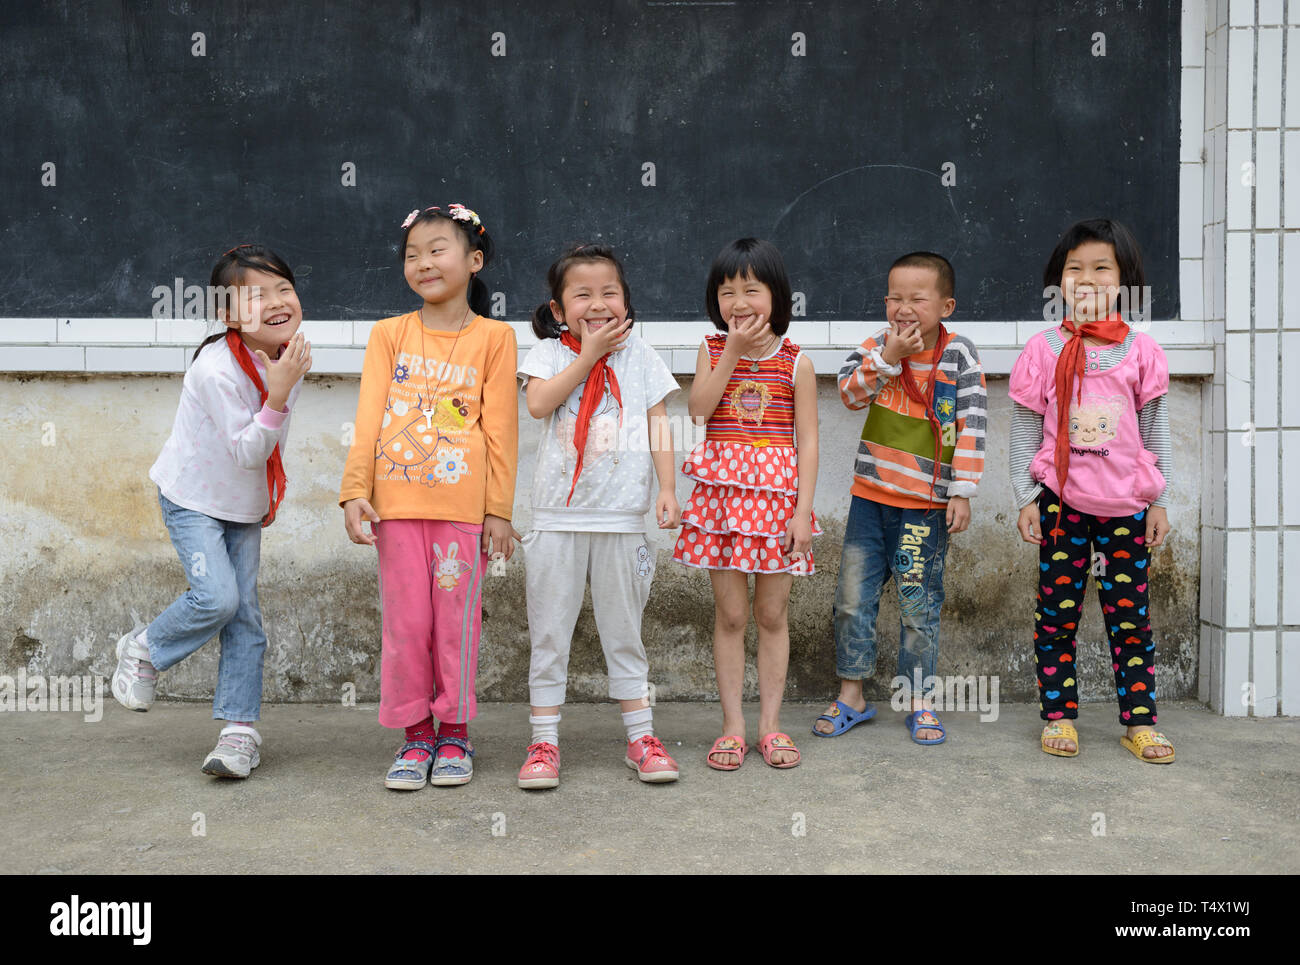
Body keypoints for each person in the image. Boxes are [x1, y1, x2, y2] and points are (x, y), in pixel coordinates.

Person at [111, 243, 313, 778]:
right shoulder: (216, 369)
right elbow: (250, 448)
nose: (276, 302)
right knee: (218, 598)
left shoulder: (284, 354)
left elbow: (260, 453)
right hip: (193, 499)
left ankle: (239, 735)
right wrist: (280, 394)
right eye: (256, 296)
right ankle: (144, 648)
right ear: (227, 315)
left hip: (242, 504)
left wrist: (280, 386)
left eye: (284, 289)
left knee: (245, 617)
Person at [339, 204, 519, 789]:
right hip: (395, 510)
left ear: (474, 260)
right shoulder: (388, 335)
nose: (423, 263)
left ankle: (456, 736)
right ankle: (416, 739)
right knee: (406, 626)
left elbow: (500, 432)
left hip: (462, 514)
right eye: (412, 254)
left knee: (455, 627)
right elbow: (368, 420)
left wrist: (498, 511)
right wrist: (354, 492)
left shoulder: (495, 338)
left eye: (437, 249)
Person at [515, 243, 682, 789]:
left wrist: (668, 489)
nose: (598, 303)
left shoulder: (642, 356)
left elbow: (660, 425)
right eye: (582, 294)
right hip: (556, 522)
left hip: (622, 518)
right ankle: (544, 742)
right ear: (559, 310)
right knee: (550, 634)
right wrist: (586, 356)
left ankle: (641, 737)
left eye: (609, 291)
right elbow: (539, 405)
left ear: (625, 301)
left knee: (624, 631)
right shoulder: (546, 354)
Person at [1008, 218, 1175, 763]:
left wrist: (1159, 501)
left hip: (1126, 509)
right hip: (1061, 507)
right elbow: (1024, 429)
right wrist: (1024, 497)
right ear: (1059, 280)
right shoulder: (1042, 349)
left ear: (1124, 279)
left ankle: (1141, 722)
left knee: (1130, 619)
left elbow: (1155, 432)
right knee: (1056, 617)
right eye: (1074, 269)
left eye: (1101, 267)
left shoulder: (1142, 353)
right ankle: (1059, 717)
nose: (1086, 279)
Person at [813, 251, 986, 746]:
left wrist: (962, 492)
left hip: (926, 507)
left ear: (946, 305)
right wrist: (888, 358)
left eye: (917, 298)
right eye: (894, 297)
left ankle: (920, 701)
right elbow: (849, 393)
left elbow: (972, 424)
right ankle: (852, 696)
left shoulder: (960, 356)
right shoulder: (875, 346)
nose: (903, 308)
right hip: (870, 499)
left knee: (918, 607)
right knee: (852, 601)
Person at [673, 238, 819, 770]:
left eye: (750, 290)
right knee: (732, 615)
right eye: (727, 290)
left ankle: (771, 726)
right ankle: (733, 726)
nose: (738, 301)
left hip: (777, 500)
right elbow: (697, 410)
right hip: (722, 499)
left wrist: (803, 512)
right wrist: (733, 351)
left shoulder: (796, 361)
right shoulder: (712, 350)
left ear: (775, 295)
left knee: (771, 613)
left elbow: (809, 442)